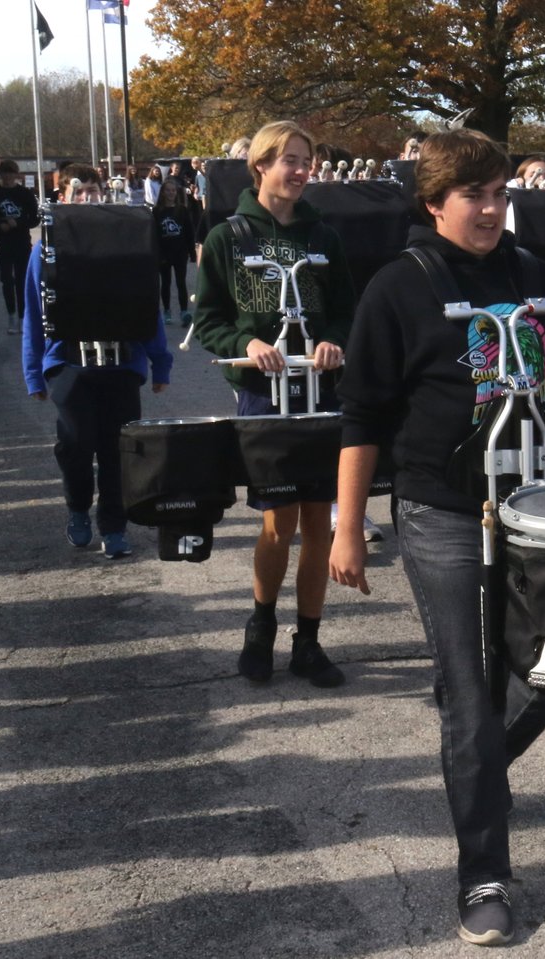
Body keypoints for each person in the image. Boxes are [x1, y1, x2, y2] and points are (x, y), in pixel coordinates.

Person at [329, 128, 545, 947]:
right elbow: (363, 417)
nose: (490, 209)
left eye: (498, 194)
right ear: (434, 204)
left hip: (544, 513)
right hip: (443, 514)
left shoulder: (539, 279)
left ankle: (476, 770)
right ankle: (482, 870)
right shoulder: (398, 288)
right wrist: (349, 524)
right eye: (473, 197)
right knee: (468, 686)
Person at [193, 120, 355, 689]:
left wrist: (335, 340)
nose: (300, 170)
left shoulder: (324, 238)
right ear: (259, 165)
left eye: (305, 160)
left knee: (319, 523)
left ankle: (308, 642)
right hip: (265, 394)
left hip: (320, 389)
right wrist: (248, 344)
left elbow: (345, 310)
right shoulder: (228, 238)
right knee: (276, 522)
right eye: (288, 159)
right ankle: (259, 629)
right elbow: (208, 320)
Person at [22, 164, 173, 558]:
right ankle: (77, 509)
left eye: (94, 190)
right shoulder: (46, 249)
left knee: (116, 450)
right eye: (79, 192)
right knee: (75, 445)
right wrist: (34, 373)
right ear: (64, 198)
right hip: (71, 365)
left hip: (121, 364)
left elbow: (147, 306)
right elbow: (34, 312)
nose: (88, 198)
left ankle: (114, 524)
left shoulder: (125, 242)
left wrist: (161, 362)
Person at [0, 159, 40, 334]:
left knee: (22, 281)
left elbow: (35, 218)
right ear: (0, 175)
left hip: (22, 242)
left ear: (16, 175)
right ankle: (11, 315)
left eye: (11, 173)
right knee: (7, 280)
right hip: (3, 244)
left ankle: (23, 317)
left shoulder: (25, 194)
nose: (7, 176)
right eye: (4, 173)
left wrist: (18, 223)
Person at [153, 177, 197, 325]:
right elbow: (154, 234)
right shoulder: (157, 211)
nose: (171, 193)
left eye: (173, 191)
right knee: (165, 283)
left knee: (181, 282)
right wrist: (157, 254)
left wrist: (192, 252)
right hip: (164, 253)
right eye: (168, 191)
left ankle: (184, 311)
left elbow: (189, 232)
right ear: (163, 193)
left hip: (180, 252)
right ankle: (167, 311)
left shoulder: (182, 210)